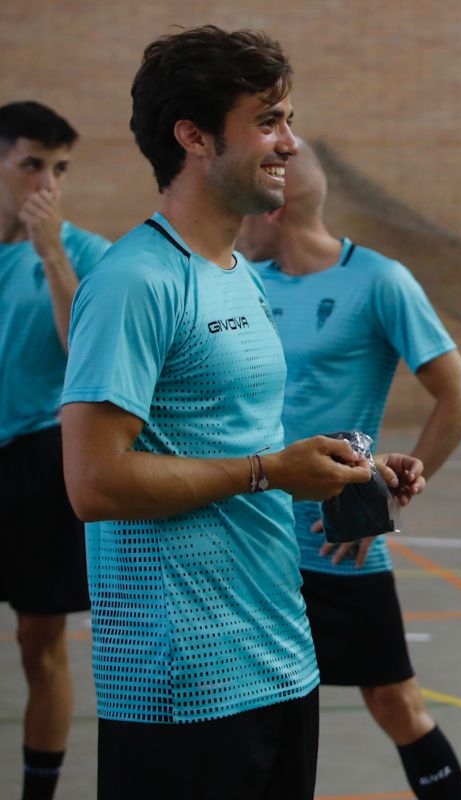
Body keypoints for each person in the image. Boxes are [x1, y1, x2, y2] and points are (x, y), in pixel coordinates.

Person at [59, 26, 425, 799]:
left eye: (287, 119)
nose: (290, 143)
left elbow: (236, 440)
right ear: (193, 137)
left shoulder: (236, 273)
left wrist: (340, 463)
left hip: (278, 655)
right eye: (268, 120)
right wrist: (269, 472)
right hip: (179, 679)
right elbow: (93, 483)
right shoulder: (135, 281)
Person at [238, 141, 461, 798]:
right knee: (261, 712)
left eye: (247, 209)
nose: (237, 221)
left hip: (336, 544)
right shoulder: (243, 280)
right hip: (252, 541)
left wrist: (389, 494)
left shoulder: (379, 280)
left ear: (277, 208)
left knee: (395, 703)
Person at [0, 100, 109, 800]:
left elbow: (87, 359)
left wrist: (51, 256)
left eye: (59, 168)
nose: (46, 182)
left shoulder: (85, 254)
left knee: (40, 643)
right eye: (31, 164)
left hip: (38, 461)